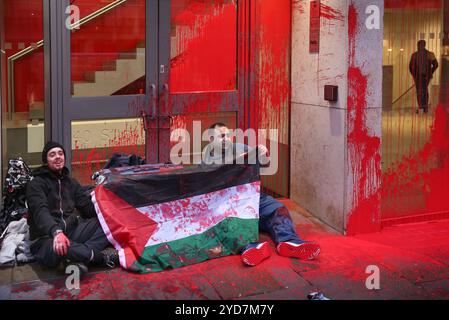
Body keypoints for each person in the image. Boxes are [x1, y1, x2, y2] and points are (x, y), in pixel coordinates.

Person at [203, 123, 321, 266]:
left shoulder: (240, 147)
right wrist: (239, 159)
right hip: (227, 203)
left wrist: (264, 153)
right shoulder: (205, 159)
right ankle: (250, 248)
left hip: (252, 196)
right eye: (222, 136)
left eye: (228, 136)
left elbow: (265, 164)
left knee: (278, 209)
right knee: (232, 223)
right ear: (210, 139)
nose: (227, 139)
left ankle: (289, 242)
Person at [26, 141, 119, 274]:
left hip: (72, 232)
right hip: (46, 239)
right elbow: (41, 212)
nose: (57, 157)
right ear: (45, 161)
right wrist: (57, 232)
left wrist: (102, 197)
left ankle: (77, 258)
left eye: (60, 153)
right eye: (52, 154)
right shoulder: (36, 184)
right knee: (59, 248)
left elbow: (87, 210)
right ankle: (100, 257)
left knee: (108, 223)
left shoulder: (72, 183)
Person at [409, 40, 439, 114]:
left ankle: (424, 107)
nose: (420, 47)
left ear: (424, 45)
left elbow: (435, 64)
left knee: (424, 91)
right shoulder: (414, 55)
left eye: (421, 45)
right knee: (420, 91)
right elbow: (410, 66)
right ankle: (421, 107)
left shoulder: (430, 54)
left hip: (425, 76)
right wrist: (415, 75)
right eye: (419, 45)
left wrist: (430, 72)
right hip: (418, 76)